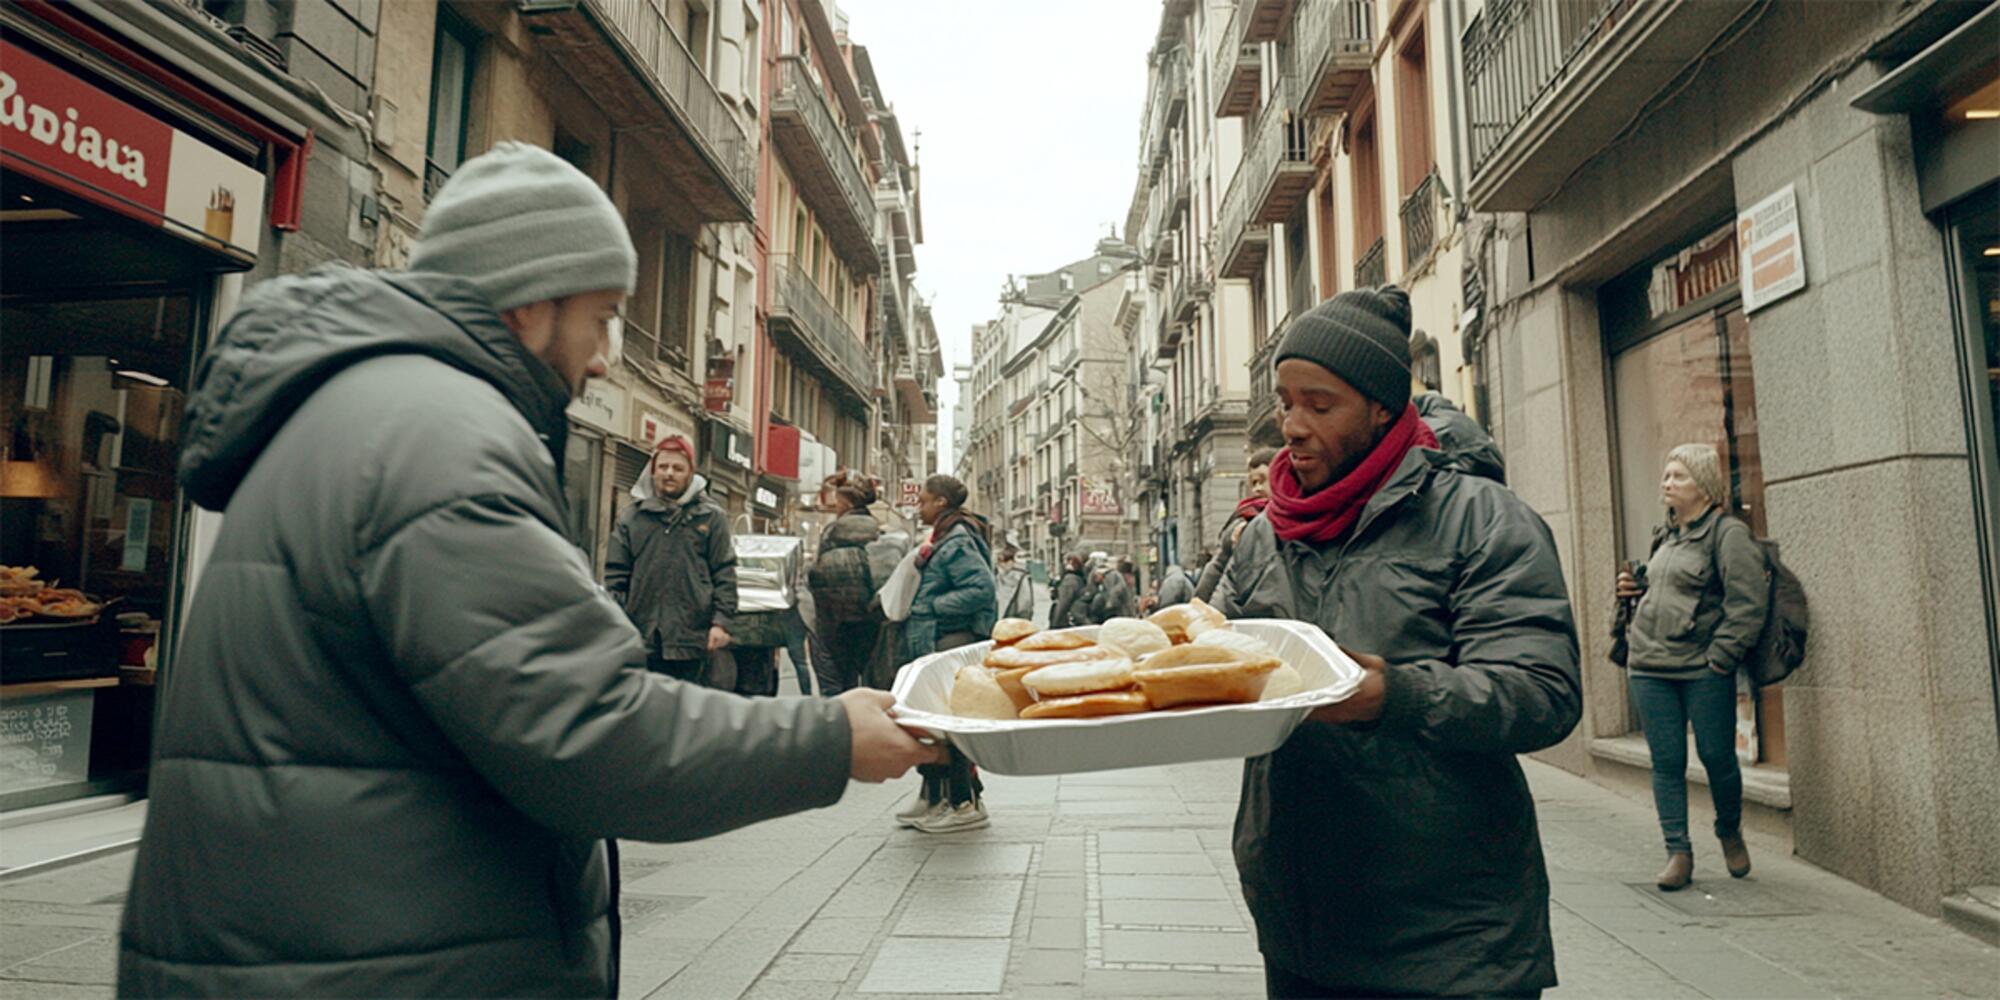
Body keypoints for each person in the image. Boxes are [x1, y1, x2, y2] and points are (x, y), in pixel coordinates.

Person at [117, 143, 940, 998]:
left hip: (321, 942)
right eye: (601, 316)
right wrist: (828, 736)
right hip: (365, 960)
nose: (601, 356)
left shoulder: (369, 410)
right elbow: (587, 730)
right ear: (527, 304)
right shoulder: (433, 438)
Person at [1213, 286, 1580, 999]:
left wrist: (1393, 694)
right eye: (1285, 402)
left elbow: (1543, 694)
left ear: (1382, 408)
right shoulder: (1267, 533)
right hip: (1300, 922)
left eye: (1320, 406)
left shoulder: (1482, 520)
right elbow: (1219, 659)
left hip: (1448, 935)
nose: (1291, 425)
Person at [1615, 443, 1766, 891]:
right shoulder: (1666, 536)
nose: (1667, 483)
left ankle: (1728, 829)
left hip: (1701, 669)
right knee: (1666, 762)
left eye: (1677, 476)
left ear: (1703, 486)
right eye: (1665, 475)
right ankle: (1677, 852)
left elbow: (1748, 605)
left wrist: (1719, 659)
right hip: (1649, 665)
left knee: (1718, 758)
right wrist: (1634, 589)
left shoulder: (1728, 535)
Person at [895, 475, 998, 833]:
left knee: (951, 726)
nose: (918, 506)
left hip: (950, 639)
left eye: (923, 500)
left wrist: (930, 607)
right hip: (939, 638)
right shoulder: (946, 534)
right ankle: (938, 796)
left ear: (940, 502)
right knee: (936, 722)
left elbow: (981, 589)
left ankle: (964, 803)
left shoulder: (956, 540)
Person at [606, 434, 735, 685]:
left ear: (690, 473)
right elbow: (615, 576)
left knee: (687, 715)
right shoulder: (631, 518)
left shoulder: (711, 518)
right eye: (663, 467)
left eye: (677, 468)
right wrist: (618, 624)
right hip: (641, 638)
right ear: (653, 471)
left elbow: (724, 572)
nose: (669, 473)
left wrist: (721, 623)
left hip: (692, 639)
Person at [809, 471, 884, 696]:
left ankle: (839, 723)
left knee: (836, 682)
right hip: (869, 618)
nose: (837, 505)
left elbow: (819, 573)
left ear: (848, 502)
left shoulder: (834, 531)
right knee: (867, 678)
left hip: (833, 619)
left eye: (839, 500)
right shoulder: (876, 528)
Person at [1195, 448, 1277, 601]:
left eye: (1263, 480)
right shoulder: (1242, 518)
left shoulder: (1288, 517)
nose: (1257, 488)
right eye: (1253, 483)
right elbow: (1218, 568)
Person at [1051, 552, 1091, 628]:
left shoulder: (1070, 580)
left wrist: (1055, 623)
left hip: (1066, 621)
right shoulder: (1080, 578)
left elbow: (1064, 603)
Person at [996, 546, 1035, 620]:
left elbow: (1025, 603)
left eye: (1004, 561)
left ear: (1011, 562)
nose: (1001, 565)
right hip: (1010, 619)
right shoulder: (998, 577)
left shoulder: (1021, 577)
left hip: (1012, 619)